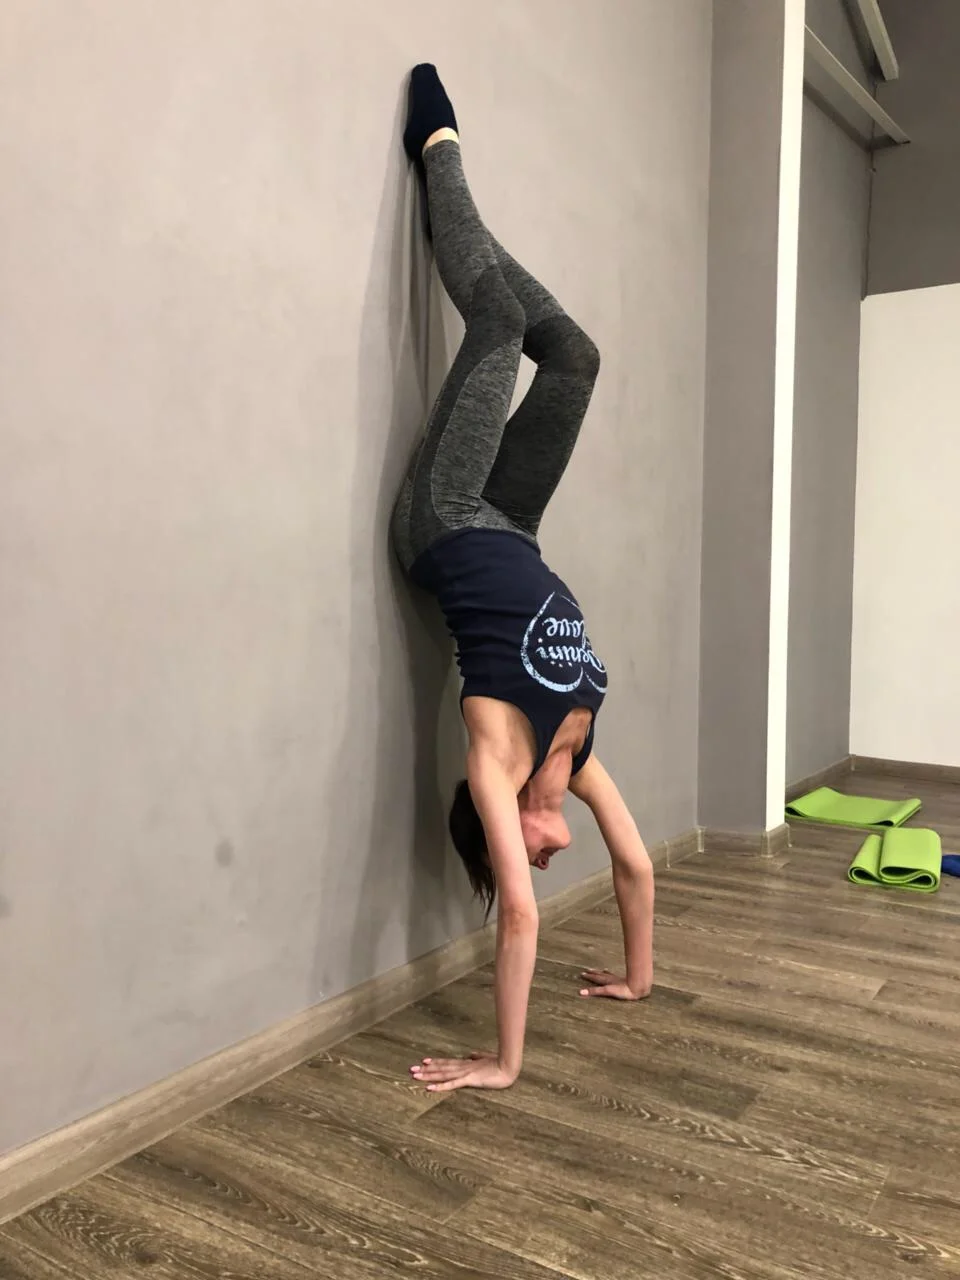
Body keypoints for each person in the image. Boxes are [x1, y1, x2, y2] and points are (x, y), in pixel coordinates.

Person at [392, 66, 655, 1093]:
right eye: (541, 855)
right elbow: (636, 865)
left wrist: (500, 1063)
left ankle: (439, 157)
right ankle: (466, 225)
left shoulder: (496, 766)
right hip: (518, 526)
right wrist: (638, 978)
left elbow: (520, 919)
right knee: (574, 357)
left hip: (448, 521)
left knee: (500, 325)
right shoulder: (576, 760)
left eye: (530, 852)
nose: (547, 855)